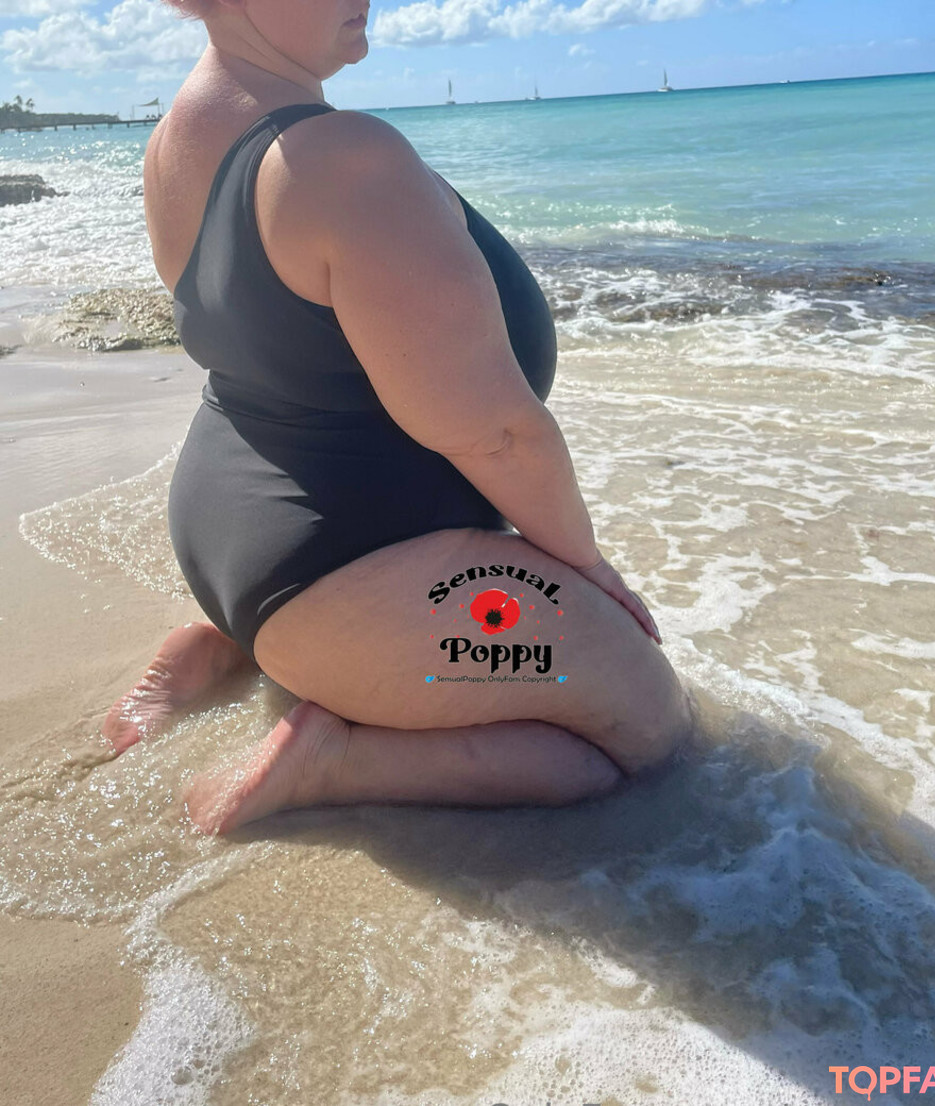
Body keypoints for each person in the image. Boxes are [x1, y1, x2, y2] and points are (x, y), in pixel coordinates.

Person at [105, 0, 698, 834]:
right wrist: (590, 572)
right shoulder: (341, 161)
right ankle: (337, 756)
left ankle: (227, 641)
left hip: (228, 530)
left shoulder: (176, 137)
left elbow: (279, 345)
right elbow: (495, 434)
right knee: (650, 733)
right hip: (337, 576)